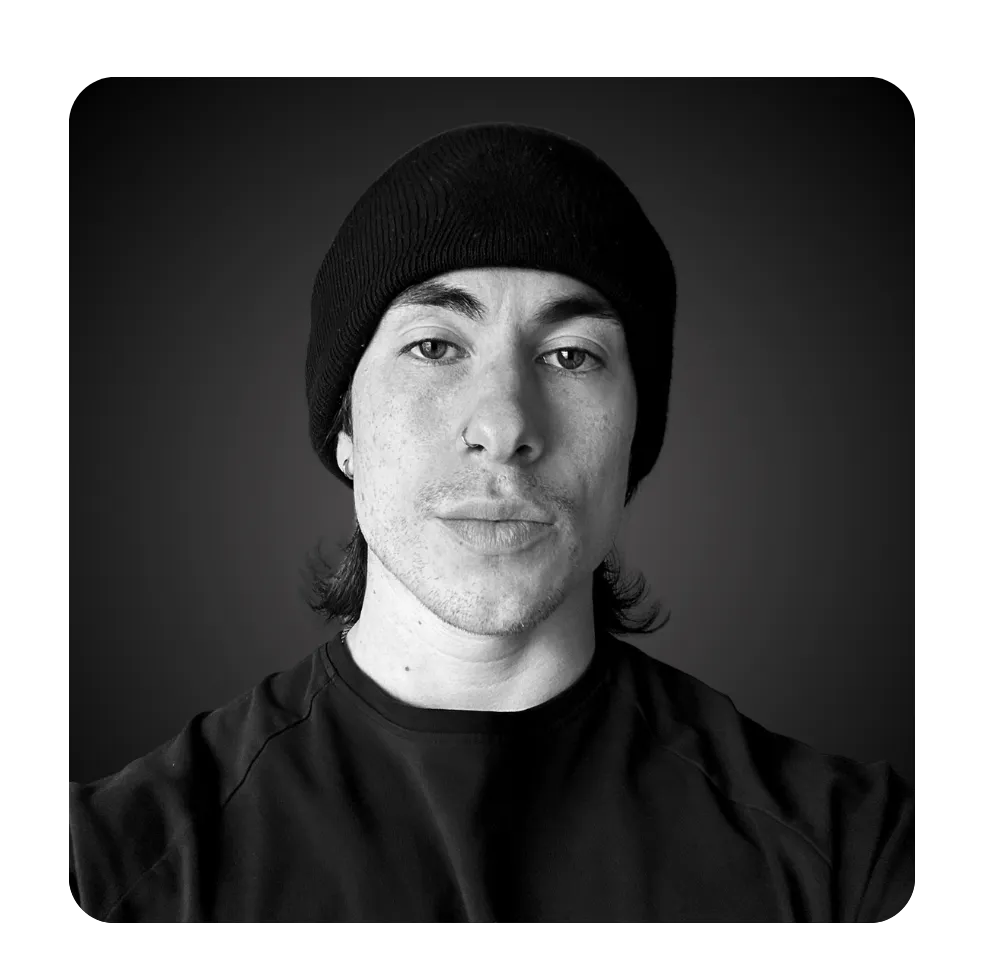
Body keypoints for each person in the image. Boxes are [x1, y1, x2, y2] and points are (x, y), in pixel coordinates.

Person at [64, 122, 918, 926]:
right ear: (345, 428)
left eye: (571, 356)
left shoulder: (853, 857)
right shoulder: (110, 868)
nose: (504, 425)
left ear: (634, 440)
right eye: (435, 346)